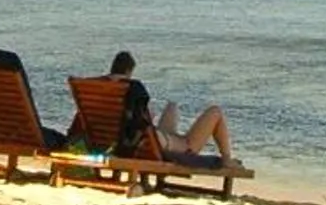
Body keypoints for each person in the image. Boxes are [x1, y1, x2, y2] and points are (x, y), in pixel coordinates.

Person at [107, 49, 249, 173]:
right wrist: (149, 116)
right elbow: (142, 123)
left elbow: (134, 121)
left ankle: (172, 133)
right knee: (215, 112)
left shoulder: (97, 88)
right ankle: (226, 160)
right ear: (128, 71)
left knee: (172, 106)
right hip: (165, 147)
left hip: (146, 140)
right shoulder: (133, 88)